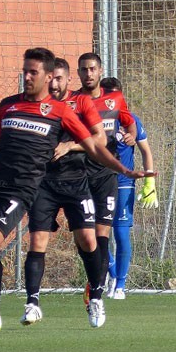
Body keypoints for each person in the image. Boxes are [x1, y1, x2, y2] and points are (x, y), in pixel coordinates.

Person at [0, 47, 146, 337]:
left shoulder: (65, 110)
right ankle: (0, 278)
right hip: (2, 183)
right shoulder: (7, 105)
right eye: (25, 71)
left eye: (34, 72)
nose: (27, 77)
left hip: (40, 187)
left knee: (1, 241)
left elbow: (95, 144)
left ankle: (0, 312)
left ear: (53, 77)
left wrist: (124, 169)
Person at [22, 57, 106, 325]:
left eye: (60, 78)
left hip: (76, 182)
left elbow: (100, 138)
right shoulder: (36, 105)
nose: (55, 83)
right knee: (37, 242)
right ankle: (32, 303)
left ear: (68, 80)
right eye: (51, 78)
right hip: (43, 183)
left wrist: (70, 146)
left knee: (88, 241)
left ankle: (96, 298)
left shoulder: (80, 103)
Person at [75, 53, 140, 304]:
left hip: (106, 174)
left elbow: (129, 123)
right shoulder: (73, 101)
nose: (88, 73)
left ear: (100, 71)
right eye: (83, 69)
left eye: (92, 69)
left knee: (103, 234)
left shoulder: (114, 99)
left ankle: (98, 288)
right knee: (84, 236)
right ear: (79, 73)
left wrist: (131, 136)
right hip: (79, 174)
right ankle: (97, 278)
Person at [100, 77, 157, 299]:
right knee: (96, 234)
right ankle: (113, 273)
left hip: (124, 183)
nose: (111, 100)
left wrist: (150, 182)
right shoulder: (94, 117)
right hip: (99, 181)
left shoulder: (131, 120)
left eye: (115, 96)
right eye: (107, 95)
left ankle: (121, 285)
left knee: (121, 233)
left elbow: (146, 151)